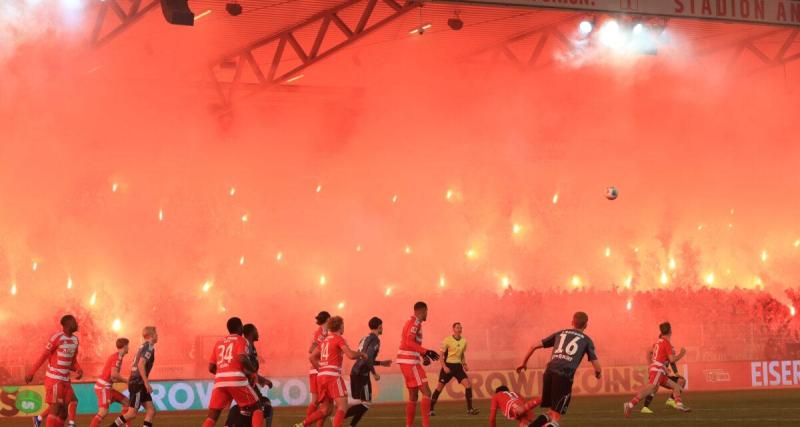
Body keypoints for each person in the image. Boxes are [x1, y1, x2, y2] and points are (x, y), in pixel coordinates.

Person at [517, 311, 601, 427]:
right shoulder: (586, 340)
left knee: (550, 413)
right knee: (555, 419)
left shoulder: (560, 333)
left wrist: (524, 363)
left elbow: (533, 346)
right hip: (564, 376)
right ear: (586, 325)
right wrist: (598, 374)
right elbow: (596, 365)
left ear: (572, 322)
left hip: (549, 373)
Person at [294, 316, 367, 427]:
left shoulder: (324, 340)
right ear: (340, 326)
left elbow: (312, 357)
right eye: (343, 325)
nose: (344, 327)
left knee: (326, 410)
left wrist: (322, 370)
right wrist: (361, 354)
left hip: (321, 377)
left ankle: (302, 424)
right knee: (342, 406)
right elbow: (351, 355)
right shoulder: (338, 339)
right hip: (332, 376)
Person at [202, 317, 264, 427]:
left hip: (220, 381)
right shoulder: (241, 340)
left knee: (212, 416)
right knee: (257, 407)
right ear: (240, 327)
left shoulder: (219, 342)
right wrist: (253, 371)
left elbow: (211, 367)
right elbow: (242, 358)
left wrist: (223, 372)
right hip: (236, 379)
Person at [26, 315, 83, 427]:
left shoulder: (75, 340)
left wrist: (79, 369)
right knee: (56, 407)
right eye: (73, 321)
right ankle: (70, 424)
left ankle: (39, 418)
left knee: (64, 412)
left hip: (66, 380)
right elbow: (43, 356)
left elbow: (72, 361)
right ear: (66, 325)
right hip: (54, 379)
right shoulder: (56, 338)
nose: (76, 323)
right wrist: (31, 372)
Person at [624, 322, 691, 417]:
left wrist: (652, 365)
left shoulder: (657, 342)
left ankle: (679, 405)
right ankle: (630, 404)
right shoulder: (666, 343)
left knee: (676, 387)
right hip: (658, 370)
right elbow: (672, 359)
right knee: (650, 388)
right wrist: (681, 354)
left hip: (659, 370)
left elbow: (651, 352)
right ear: (670, 331)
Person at [396, 302, 440, 427]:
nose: (427, 314)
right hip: (410, 362)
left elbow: (411, 342)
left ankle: (409, 425)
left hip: (406, 361)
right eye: (427, 311)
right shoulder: (415, 323)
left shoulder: (411, 322)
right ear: (422, 311)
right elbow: (409, 342)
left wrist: (422, 355)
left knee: (413, 396)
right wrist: (426, 351)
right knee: (427, 393)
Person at [344, 316, 392, 426]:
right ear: (379, 326)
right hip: (362, 374)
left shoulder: (364, 338)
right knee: (366, 403)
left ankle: (348, 423)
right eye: (382, 326)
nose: (382, 328)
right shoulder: (375, 340)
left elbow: (362, 357)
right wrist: (374, 373)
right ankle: (339, 417)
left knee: (362, 402)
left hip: (356, 372)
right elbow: (367, 359)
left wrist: (381, 363)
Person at [224, 323, 274, 427]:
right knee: (262, 406)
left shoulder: (251, 347)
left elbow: (250, 370)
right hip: (244, 383)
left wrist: (261, 380)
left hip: (247, 383)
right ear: (251, 332)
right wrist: (258, 378)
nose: (258, 333)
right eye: (256, 330)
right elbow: (243, 366)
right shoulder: (246, 346)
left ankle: (229, 425)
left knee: (247, 410)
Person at [109, 326, 158, 427]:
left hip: (137, 382)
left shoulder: (143, 346)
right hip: (138, 383)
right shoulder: (149, 347)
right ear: (151, 336)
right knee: (132, 413)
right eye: (156, 334)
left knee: (151, 410)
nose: (157, 336)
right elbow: (141, 364)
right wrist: (146, 382)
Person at [430, 322, 478, 416]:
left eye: (460, 327)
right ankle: (430, 409)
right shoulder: (447, 340)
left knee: (468, 385)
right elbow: (441, 356)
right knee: (439, 388)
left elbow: (462, 354)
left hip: (458, 367)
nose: (459, 329)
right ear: (453, 329)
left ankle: (470, 409)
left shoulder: (464, 341)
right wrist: (444, 367)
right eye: (457, 327)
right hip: (448, 366)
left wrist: (464, 364)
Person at [90, 338, 131, 427]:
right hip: (103, 387)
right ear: (124, 346)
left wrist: (122, 380)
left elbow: (113, 377)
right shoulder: (117, 357)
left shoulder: (117, 356)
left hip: (107, 387)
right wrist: (126, 380)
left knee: (127, 402)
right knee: (103, 411)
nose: (129, 348)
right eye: (128, 345)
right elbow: (114, 375)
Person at [640, 345, 685, 414]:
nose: (673, 354)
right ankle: (644, 407)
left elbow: (672, 363)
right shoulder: (660, 354)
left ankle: (671, 400)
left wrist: (676, 373)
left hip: (664, 377)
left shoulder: (668, 356)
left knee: (681, 381)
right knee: (654, 388)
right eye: (672, 353)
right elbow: (649, 351)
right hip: (656, 375)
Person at [305, 311, 330, 427]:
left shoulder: (318, 332)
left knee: (315, 401)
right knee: (326, 405)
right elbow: (311, 350)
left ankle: (307, 424)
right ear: (328, 319)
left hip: (314, 370)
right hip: (320, 369)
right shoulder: (323, 332)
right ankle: (308, 424)